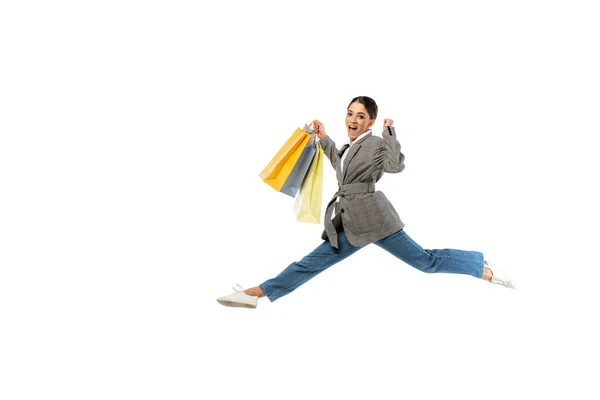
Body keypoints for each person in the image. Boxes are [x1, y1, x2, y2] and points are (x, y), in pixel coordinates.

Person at [217, 96, 516, 309]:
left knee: (426, 261)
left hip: (375, 219)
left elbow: (395, 165)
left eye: (360, 116)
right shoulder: (350, 146)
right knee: (309, 264)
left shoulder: (374, 143)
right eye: (350, 113)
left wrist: (389, 134)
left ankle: (483, 269)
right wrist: (324, 138)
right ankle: (257, 293)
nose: (353, 120)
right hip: (350, 219)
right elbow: (340, 167)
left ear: (370, 121)